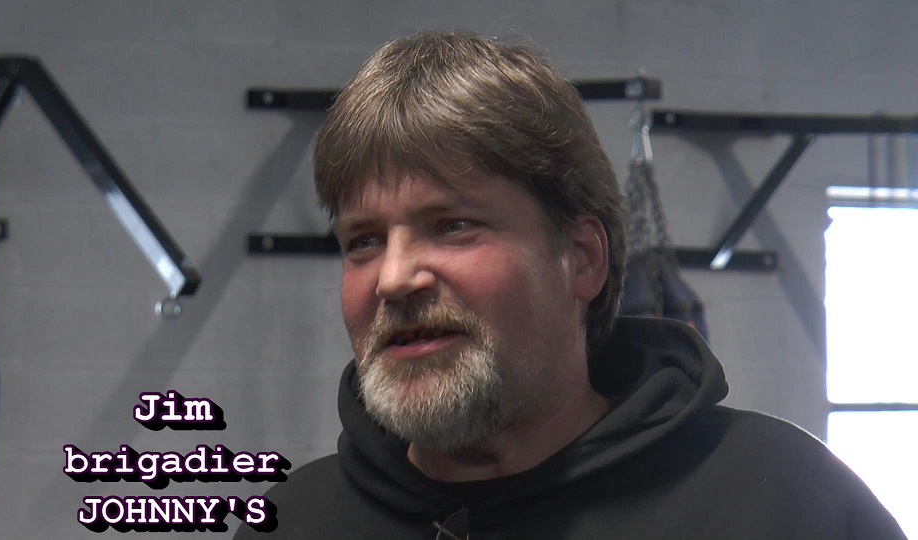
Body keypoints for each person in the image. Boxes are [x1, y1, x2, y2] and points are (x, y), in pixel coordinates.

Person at [235, 30, 905, 539]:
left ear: (581, 259)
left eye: (453, 226)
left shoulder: (784, 503)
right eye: (363, 241)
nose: (393, 278)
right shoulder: (293, 523)